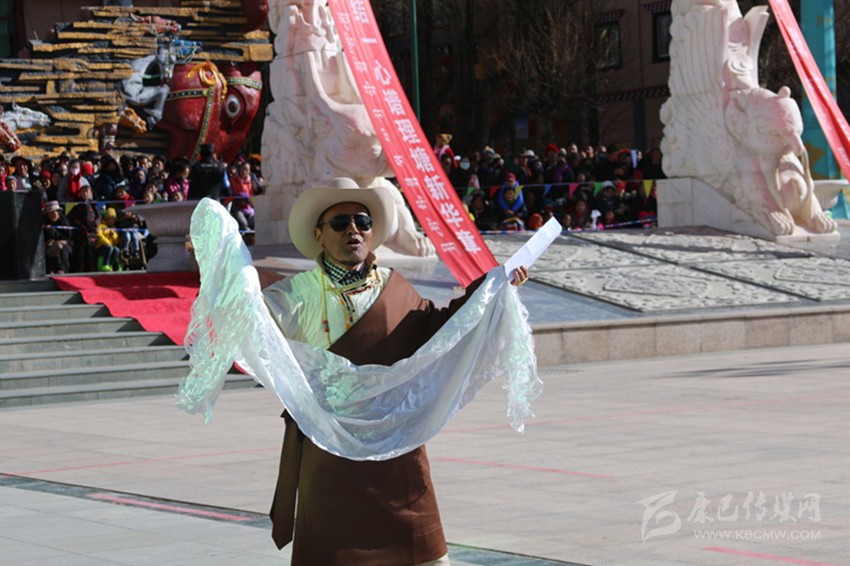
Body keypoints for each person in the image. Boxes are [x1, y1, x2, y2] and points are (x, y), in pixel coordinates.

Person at [261, 177, 528, 565]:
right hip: (329, 446)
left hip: (396, 445)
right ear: (319, 235)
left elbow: (439, 329)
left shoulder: (393, 286)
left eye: (362, 222)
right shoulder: (295, 294)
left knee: (425, 555)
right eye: (340, 223)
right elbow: (250, 323)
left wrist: (493, 287)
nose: (353, 230)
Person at [43, 201, 74, 274]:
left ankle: (61, 269)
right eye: (50, 213)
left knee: (59, 247)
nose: (53, 215)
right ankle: (50, 269)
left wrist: (52, 231)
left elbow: (67, 237)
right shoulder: (45, 223)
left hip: (64, 245)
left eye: (55, 212)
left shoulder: (64, 223)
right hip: (49, 245)